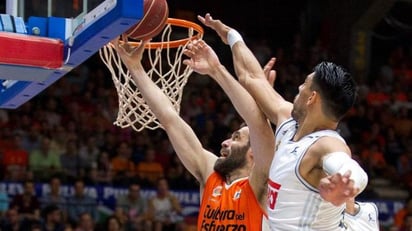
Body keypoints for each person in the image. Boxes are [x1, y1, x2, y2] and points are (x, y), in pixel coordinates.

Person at [196, 13, 368, 230]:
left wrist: (346, 183)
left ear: (312, 97)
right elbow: (252, 77)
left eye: (305, 84)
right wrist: (231, 36)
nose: (299, 88)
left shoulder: (326, 144)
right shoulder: (287, 119)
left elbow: (348, 166)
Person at [112, 30, 275, 229]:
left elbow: (259, 128)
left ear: (253, 153)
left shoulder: (261, 185)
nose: (224, 142)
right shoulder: (210, 175)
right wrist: (135, 67)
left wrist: (217, 70)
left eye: (236, 138)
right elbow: (169, 119)